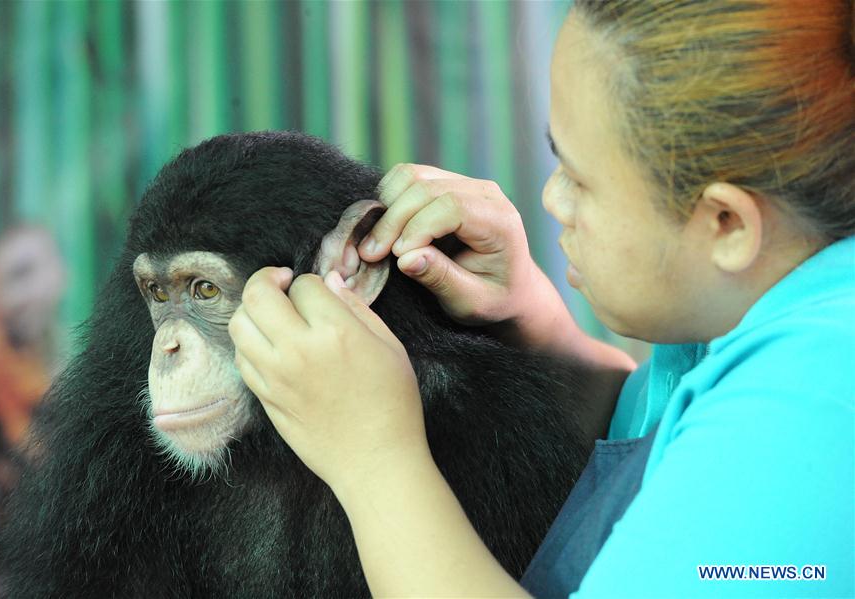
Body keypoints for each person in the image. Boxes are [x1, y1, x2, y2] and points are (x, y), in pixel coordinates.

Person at [229, 1, 854, 596]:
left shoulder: (819, 401)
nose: (552, 201)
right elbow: (667, 441)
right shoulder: (757, 312)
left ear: (726, 225)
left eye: (581, 179)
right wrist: (538, 325)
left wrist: (372, 457)